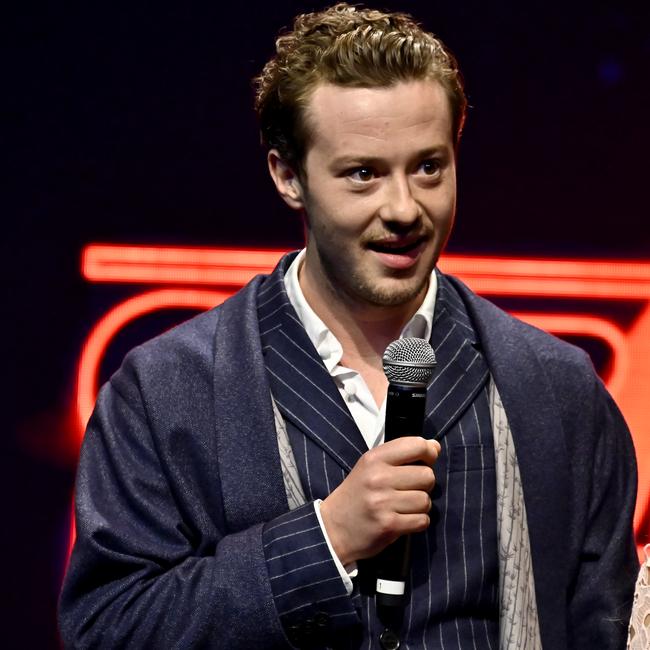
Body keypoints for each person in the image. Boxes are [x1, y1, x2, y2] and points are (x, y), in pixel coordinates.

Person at [59, 4, 639, 648]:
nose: (403, 208)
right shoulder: (165, 392)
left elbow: (601, 624)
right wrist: (325, 539)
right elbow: (108, 627)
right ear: (287, 175)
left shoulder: (557, 391)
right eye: (363, 174)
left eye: (428, 167)